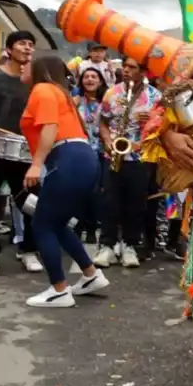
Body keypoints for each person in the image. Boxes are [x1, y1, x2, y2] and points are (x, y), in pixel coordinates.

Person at [19, 55, 110, 307]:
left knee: (42, 225)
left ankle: (59, 290)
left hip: (68, 159)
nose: (23, 65)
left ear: (39, 68)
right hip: (81, 159)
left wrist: (36, 164)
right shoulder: (58, 92)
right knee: (56, 223)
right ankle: (91, 275)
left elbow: (50, 126)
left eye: (28, 63)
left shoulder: (43, 89)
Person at [93, 57, 161, 268]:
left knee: (137, 204)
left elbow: (164, 128)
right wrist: (108, 141)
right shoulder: (112, 93)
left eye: (132, 67)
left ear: (144, 72)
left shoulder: (155, 97)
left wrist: (151, 120)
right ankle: (107, 246)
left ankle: (130, 245)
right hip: (114, 154)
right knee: (109, 201)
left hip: (141, 157)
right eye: (125, 66)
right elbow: (103, 122)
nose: (127, 70)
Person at [0, 30, 43, 274]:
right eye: (22, 43)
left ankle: (28, 250)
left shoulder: (35, 81)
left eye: (31, 44)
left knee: (30, 203)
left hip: (26, 150)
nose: (28, 48)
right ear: (9, 49)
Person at [72, 67, 108, 251]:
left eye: (94, 76)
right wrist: (73, 104)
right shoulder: (76, 101)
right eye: (86, 77)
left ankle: (93, 228)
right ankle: (77, 226)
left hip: (100, 153)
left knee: (95, 192)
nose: (90, 79)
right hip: (79, 152)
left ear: (101, 81)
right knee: (78, 191)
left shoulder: (107, 101)